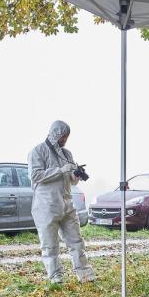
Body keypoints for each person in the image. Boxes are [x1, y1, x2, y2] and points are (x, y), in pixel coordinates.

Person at [28, 121, 96, 284]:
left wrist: (75, 175)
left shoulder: (67, 154)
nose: (65, 139)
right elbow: (35, 176)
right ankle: (55, 276)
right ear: (54, 134)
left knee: (76, 241)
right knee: (50, 245)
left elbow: (72, 182)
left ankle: (84, 273)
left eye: (67, 137)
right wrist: (60, 170)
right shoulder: (37, 151)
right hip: (46, 206)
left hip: (66, 203)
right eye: (63, 136)